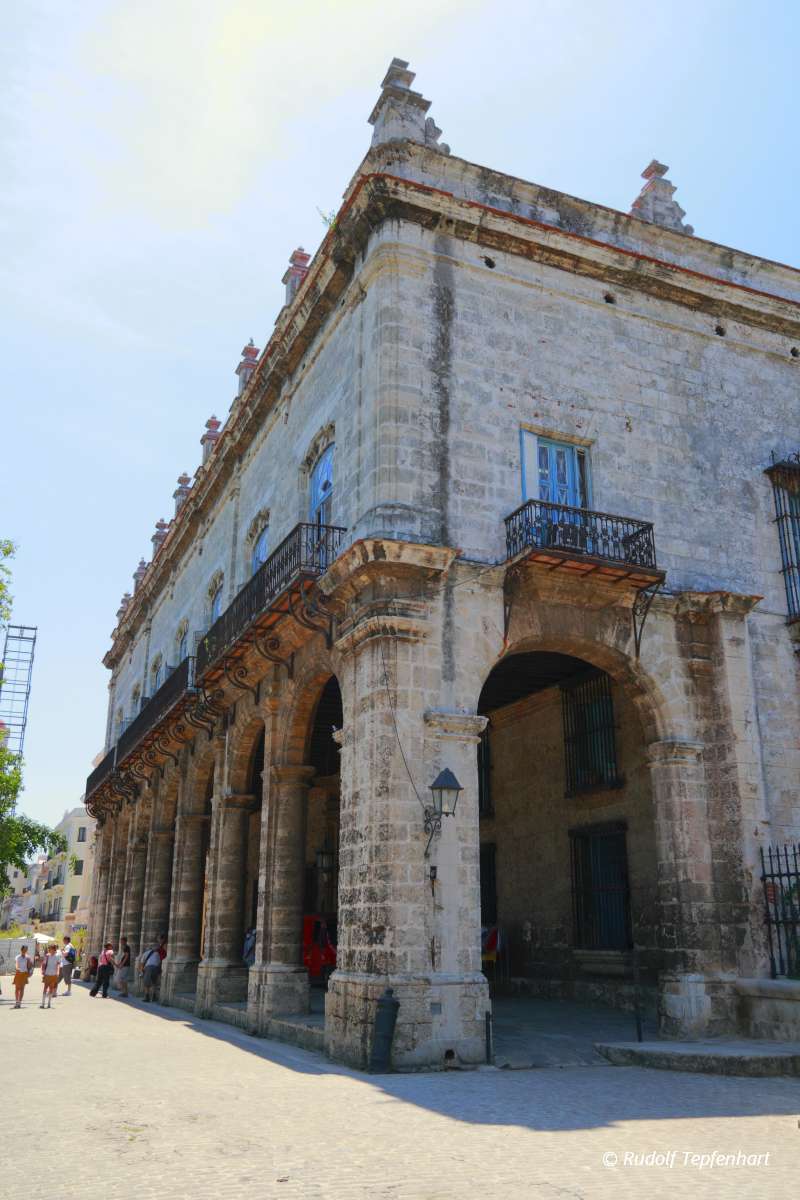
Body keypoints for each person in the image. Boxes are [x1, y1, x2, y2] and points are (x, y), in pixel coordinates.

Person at [40, 944, 62, 1009]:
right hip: (47, 974)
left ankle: (49, 1003)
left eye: (51, 949)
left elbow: (58, 965)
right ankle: (43, 1003)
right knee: (45, 988)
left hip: (53, 974)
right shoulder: (47, 956)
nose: (50, 950)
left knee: (51, 989)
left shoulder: (57, 956)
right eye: (49, 949)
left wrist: (58, 972)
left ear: (54, 949)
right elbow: (44, 964)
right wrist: (42, 970)